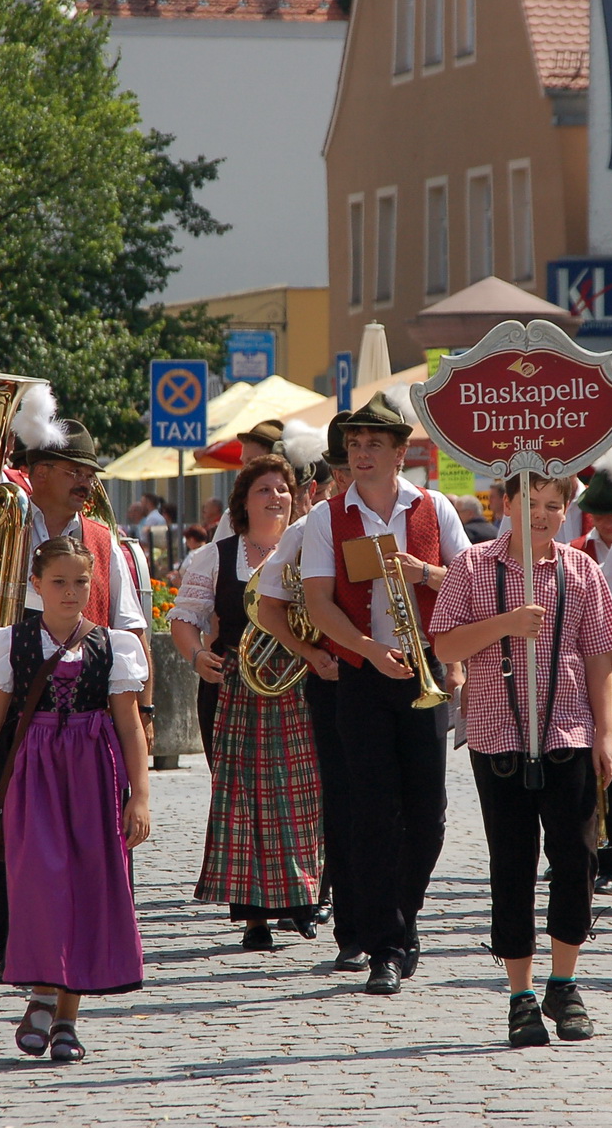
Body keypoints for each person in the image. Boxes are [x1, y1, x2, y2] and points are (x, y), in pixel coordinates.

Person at [0, 415, 151, 968]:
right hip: (12, 697)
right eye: (72, 470)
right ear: (36, 473)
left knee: (91, 834)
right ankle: (11, 941)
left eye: (89, 472)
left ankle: (88, 945)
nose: (86, 481)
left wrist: (146, 707)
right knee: (10, 826)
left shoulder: (103, 539)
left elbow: (130, 626)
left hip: (87, 704)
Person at [0, 536, 152, 1063]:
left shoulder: (112, 645)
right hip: (35, 774)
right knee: (40, 885)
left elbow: (129, 724)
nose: (71, 591)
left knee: (86, 888)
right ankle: (39, 991)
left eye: (81, 581)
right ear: (35, 585)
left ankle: (66, 1019)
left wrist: (141, 796)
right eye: (59, 581)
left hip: (94, 776)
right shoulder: (11, 642)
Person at [430, 472, 612, 1047]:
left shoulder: (581, 569)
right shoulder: (472, 567)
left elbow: (600, 655)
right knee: (510, 865)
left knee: (576, 859)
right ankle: (520, 994)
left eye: (551, 506)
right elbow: (444, 645)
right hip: (498, 737)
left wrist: (606, 733)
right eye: (528, 503)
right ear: (505, 504)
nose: (539, 515)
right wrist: (506, 625)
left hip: (569, 730)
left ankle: (564, 982)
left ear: (565, 512)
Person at [302, 389, 470, 995]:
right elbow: (319, 601)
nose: (362, 453)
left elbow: (469, 585)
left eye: (375, 444)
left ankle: (406, 913)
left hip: (424, 666)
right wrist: (369, 651)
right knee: (371, 812)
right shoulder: (327, 516)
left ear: (402, 453)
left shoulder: (435, 508)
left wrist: (421, 572)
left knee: (427, 814)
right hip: (363, 675)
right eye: (354, 444)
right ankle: (386, 943)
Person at [170, 456, 325, 949]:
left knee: (303, 795)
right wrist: (197, 657)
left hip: (300, 685)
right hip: (236, 685)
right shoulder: (216, 556)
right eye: (264, 489)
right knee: (243, 801)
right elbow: (184, 619)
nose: (276, 496)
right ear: (244, 501)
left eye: (283, 489)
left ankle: (301, 901)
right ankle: (254, 915)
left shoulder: (308, 548)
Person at [255, 413, 365, 968]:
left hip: (396, 675)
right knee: (343, 805)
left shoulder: (412, 512)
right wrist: (310, 652)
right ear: (325, 482)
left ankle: (395, 915)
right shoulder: (310, 526)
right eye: (339, 475)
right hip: (334, 679)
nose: (349, 484)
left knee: (412, 810)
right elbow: (266, 602)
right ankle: (353, 927)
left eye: (354, 472)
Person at [570, 442, 612, 896]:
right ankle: (603, 857)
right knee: (597, 770)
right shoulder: (577, 550)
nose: (607, 525)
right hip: (590, 672)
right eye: (600, 517)